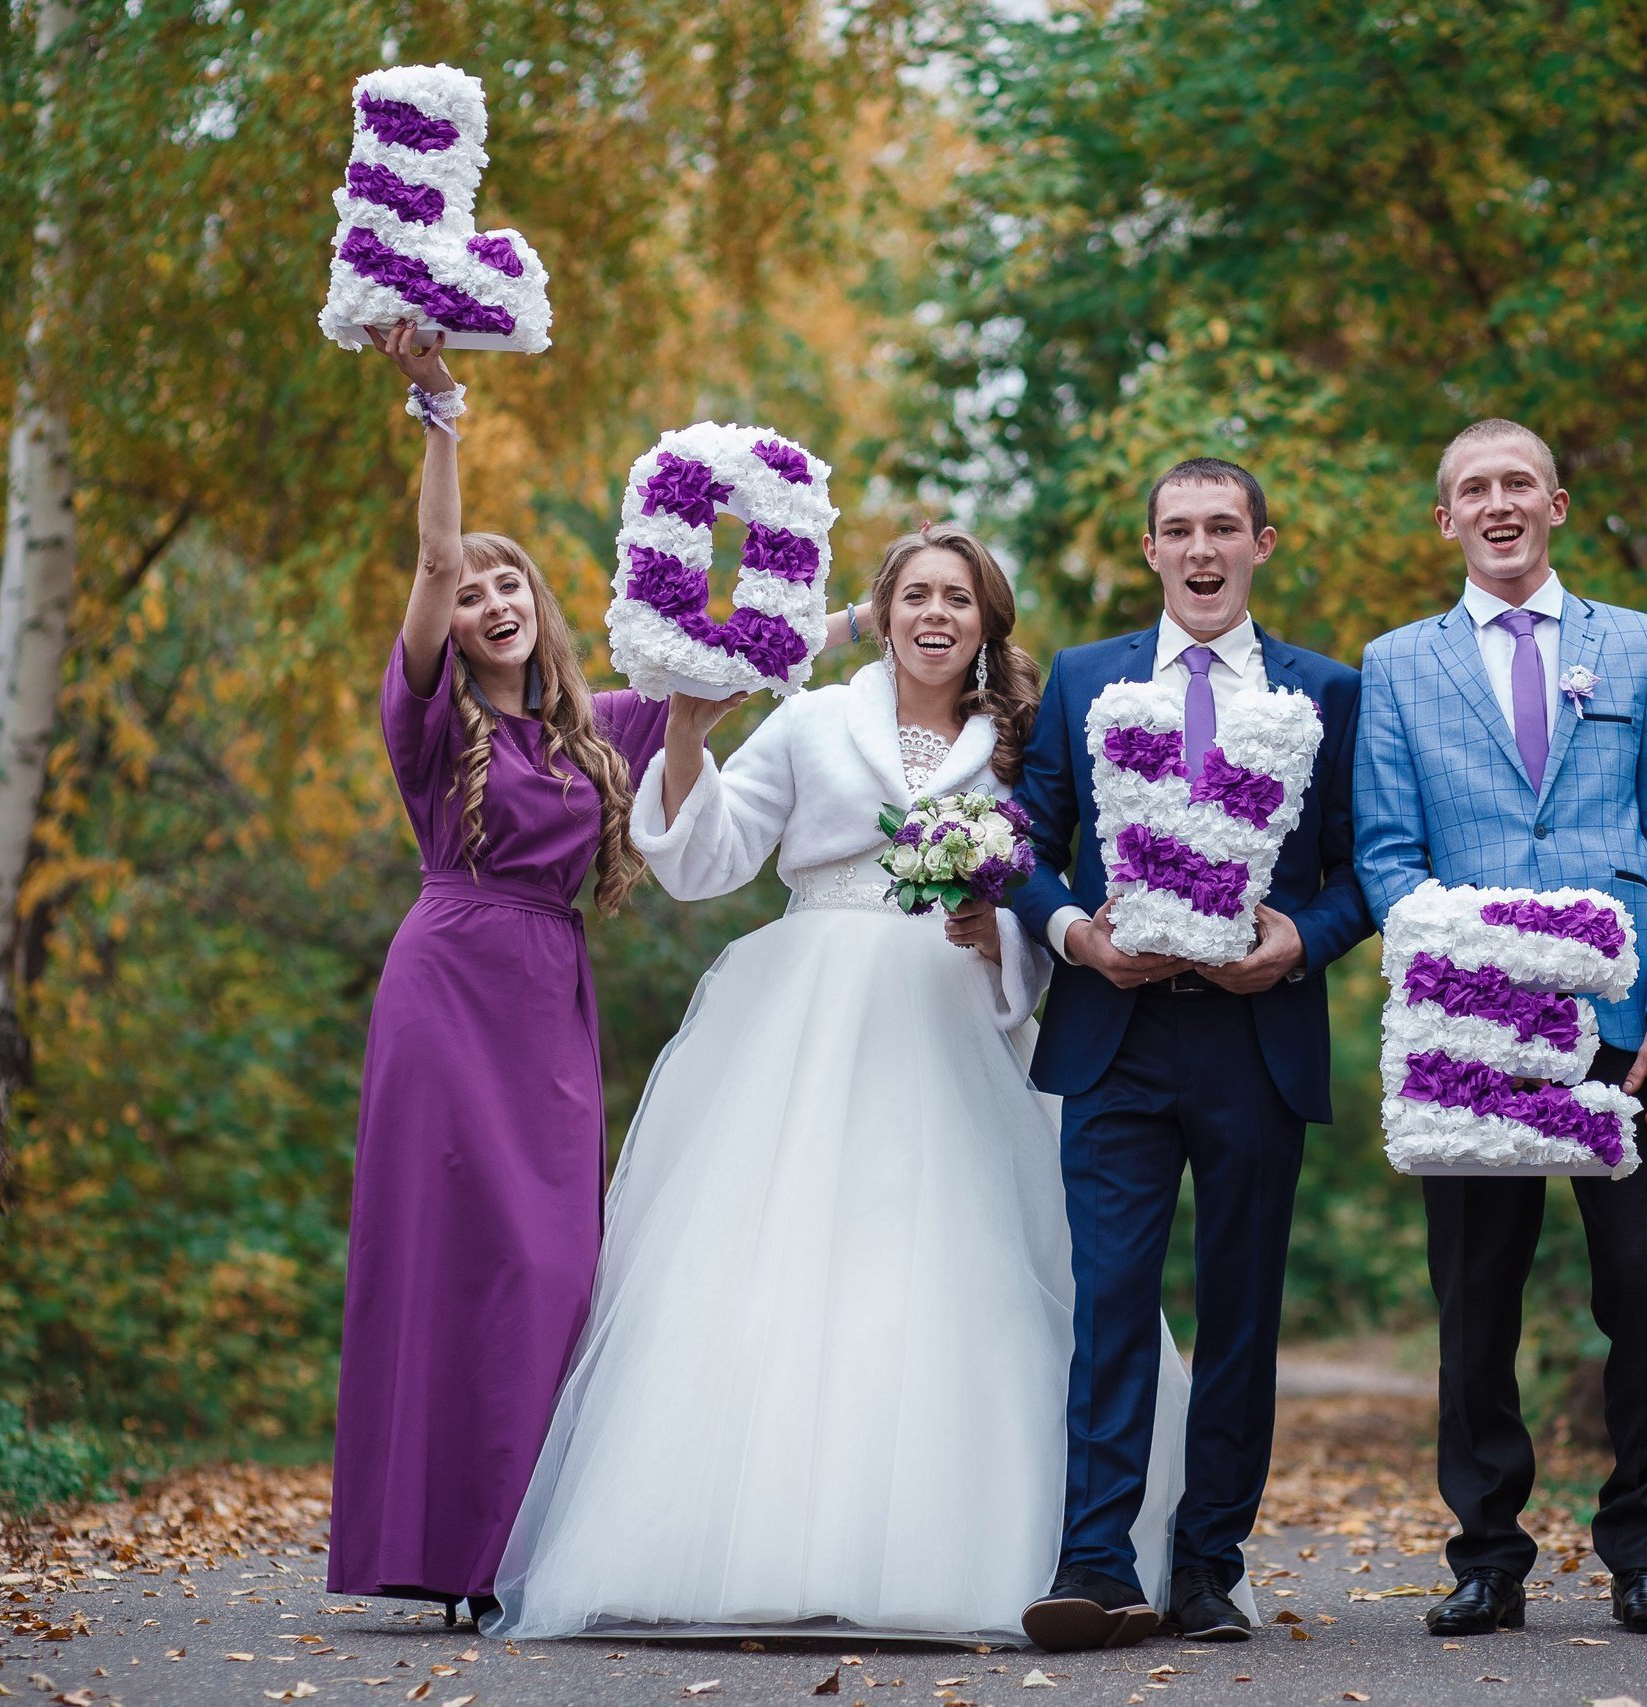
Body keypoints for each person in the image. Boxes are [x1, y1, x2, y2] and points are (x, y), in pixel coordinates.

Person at [487, 525, 1237, 1644]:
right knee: (785, 1264)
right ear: (880, 614)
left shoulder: (1021, 746)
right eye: (917, 596)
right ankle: (756, 1548)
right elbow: (707, 860)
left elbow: (1043, 897)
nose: (937, 616)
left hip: (955, 1013)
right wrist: (687, 735)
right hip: (809, 1008)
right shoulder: (810, 719)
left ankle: (991, 1554)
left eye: (961, 601)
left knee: (958, 1264)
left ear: (986, 629)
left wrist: (1002, 939)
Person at [327, 324, 875, 1624]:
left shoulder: (607, 723)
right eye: (472, 593)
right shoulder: (428, 719)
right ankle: (445, 1552)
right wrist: (440, 414)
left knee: (560, 1261)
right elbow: (429, 550)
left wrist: (869, 609)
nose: (490, 600)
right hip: (447, 985)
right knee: (455, 1252)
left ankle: (524, 1543)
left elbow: (736, 675)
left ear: (541, 604)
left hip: (548, 995)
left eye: (509, 584)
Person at [1352, 418, 1647, 1639]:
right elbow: (1388, 855)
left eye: (1517, 484)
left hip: (1621, 1030)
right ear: (1444, 521)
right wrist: (1484, 977)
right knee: (1476, 1307)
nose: (1497, 504)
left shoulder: (1639, 646)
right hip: (1469, 1037)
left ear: (1555, 503)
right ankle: (1488, 1555)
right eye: (1472, 490)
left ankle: (1642, 1551)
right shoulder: (1397, 664)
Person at [1009, 460, 1372, 1651]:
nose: (1202, 548)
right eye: (1180, 530)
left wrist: (1296, 944)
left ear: (1263, 542)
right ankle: (1096, 1562)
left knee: (1240, 1313)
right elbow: (1024, 842)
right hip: (1115, 1035)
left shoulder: (1327, 690)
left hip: (1254, 1040)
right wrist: (1074, 933)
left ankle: (1208, 1567)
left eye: (1224, 528)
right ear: (1151, 549)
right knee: (1110, 1301)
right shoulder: (1080, 678)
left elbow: (1364, 869)